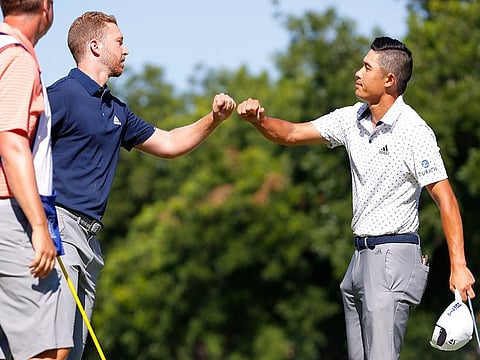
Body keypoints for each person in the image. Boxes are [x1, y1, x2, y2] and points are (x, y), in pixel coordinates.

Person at [236, 36, 476, 359]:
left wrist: (458, 266)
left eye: (366, 67)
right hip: (359, 261)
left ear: (389, 80)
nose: (357, 73)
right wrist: (259, 121)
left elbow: (445, 198)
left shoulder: (414, 131)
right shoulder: (352, 119)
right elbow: (292, 133)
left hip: (393, 258)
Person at [47, 11, 236, 359]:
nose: (126, 50)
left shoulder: (116, 110)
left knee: (70, 351)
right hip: (57, 229)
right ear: (94, 46)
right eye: (119, 42)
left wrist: (213, 120)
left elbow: (168, 143)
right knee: (52, 348)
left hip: (90, 242)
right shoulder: (59, 96)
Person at [0, 0, 73, 359]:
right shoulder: (16, 58)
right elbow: (11, 144)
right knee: (48, 349)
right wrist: (39, 226)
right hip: (9, 213)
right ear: (45, 6)